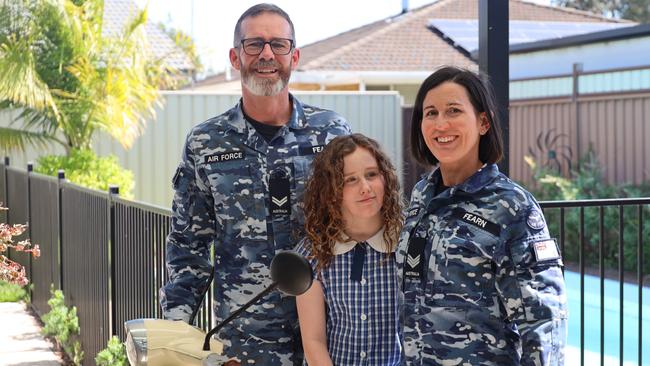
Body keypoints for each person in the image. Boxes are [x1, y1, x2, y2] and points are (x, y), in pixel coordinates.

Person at [159, 3, 351, 365]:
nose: (267, 54)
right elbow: (189, 245)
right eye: (254, 44)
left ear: (294, 56)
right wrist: (174, 332)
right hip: (244, 342)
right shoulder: (206, 143)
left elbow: (357, 228)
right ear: (235, 57)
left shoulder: (331, 134)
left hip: (328, 338)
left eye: (278, 44)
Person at [397, 66, 567, 365]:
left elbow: (544, 320)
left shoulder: (512, 207)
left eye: (453, 111)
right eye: (431, 113)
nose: (440, 124)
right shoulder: (423, 195)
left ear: (483, 122)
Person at [295, 134, 403, 365]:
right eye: (350, 180)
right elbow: (314, 341)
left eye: (372, 175)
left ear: (386, 178)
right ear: (331, 191)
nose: (365, 187)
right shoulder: (312, 252)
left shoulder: (408, 245)